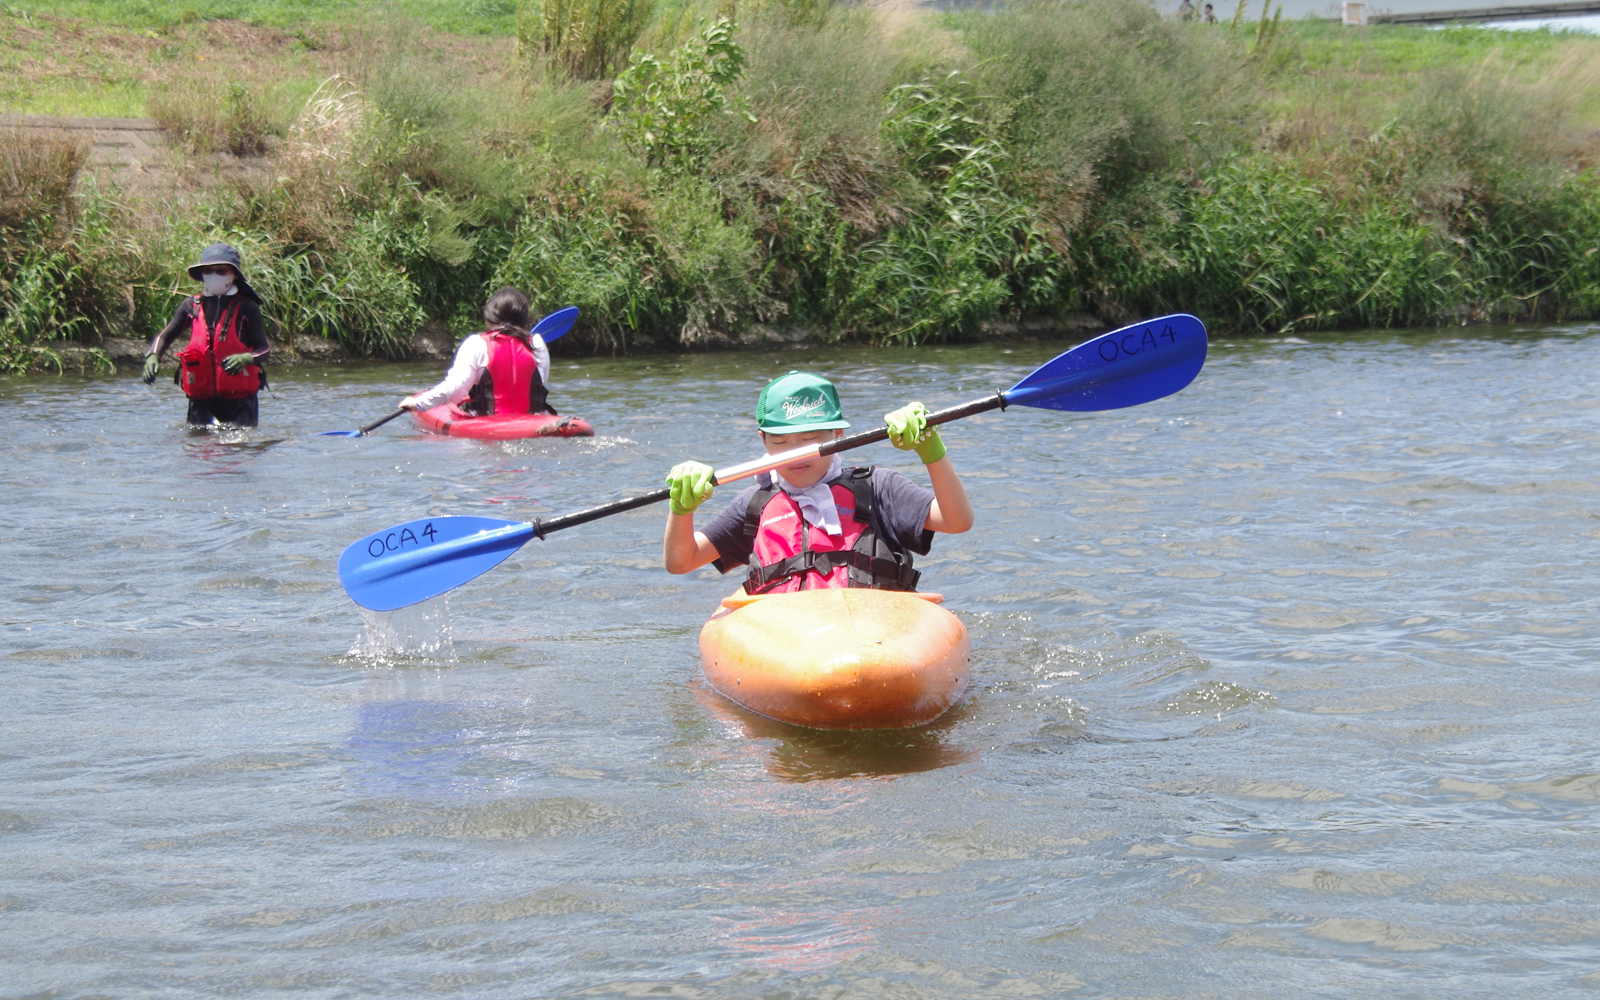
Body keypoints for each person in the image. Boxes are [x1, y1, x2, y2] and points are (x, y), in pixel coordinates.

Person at [662, 371, 974, 594]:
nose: (796, 455)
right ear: (763, 439)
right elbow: (681, 562)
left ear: (837, 434)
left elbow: (956, 521)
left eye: (810, 440)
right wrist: (681, 507)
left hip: (873, 632)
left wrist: (930, 450)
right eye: (781, 443)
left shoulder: (878, 487)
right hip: (788, 642)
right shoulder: (755, 504)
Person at [142, 243, 268, 427]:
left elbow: (264, 349)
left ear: (234, 275)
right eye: (209, 270)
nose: (214, 274)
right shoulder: (190, 306)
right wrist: (153, 356)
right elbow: (166, 335)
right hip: (201, 403)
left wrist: (246, 358)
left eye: (221, 270)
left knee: (238, 451)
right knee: (198, 450)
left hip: (241, 403)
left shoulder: (247, 307)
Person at [399, 287, 555, 418]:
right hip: (531, 423)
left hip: (486, 426)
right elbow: (539, 383)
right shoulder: (537, 343)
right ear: (524, 318)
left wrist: (419, 403)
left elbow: (455, 387)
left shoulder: (476, 343)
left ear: (489, 317)